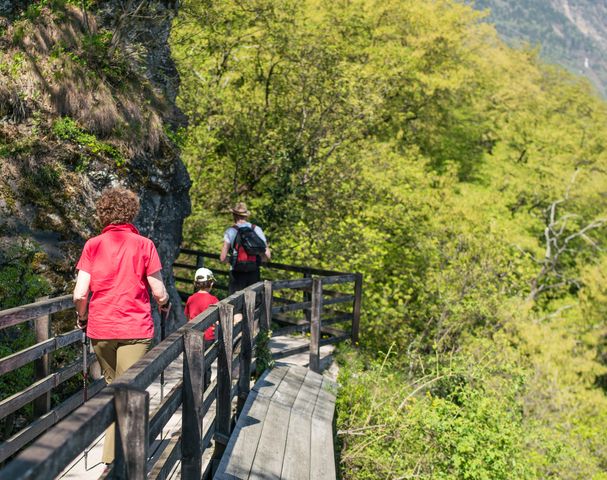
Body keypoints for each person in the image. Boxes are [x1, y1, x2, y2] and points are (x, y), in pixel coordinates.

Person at [72, 187, 169, 465]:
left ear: (103, 213)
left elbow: (80, 294)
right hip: (135, 329)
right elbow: (160, 293)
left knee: (116, 387)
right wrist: (163, 304)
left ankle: (113, 454)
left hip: (101, 329)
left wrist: (83, 317)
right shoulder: (144, 244)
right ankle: (122, 456)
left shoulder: (93, 245)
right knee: (129, 391)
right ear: (131, 212)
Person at [220, 202, 271, 294]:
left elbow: (222, 258)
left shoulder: (230, 231)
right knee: (253, 303)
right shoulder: (256, 229)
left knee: (235, 303)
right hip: (254, 272)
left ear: (234, 215)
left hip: (237, 273)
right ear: (246, 216)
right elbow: (267, 255)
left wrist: (233, 260)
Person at [184, 267, 219, 389]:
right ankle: (204, 388)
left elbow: (188, 316)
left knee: (193, 362)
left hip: (193, 336)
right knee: (206, 363)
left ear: (195, 283)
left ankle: (192, 387)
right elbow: (218, 320)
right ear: (211, 283)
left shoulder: (190, 299)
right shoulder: (214, 300)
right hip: (208, 337)